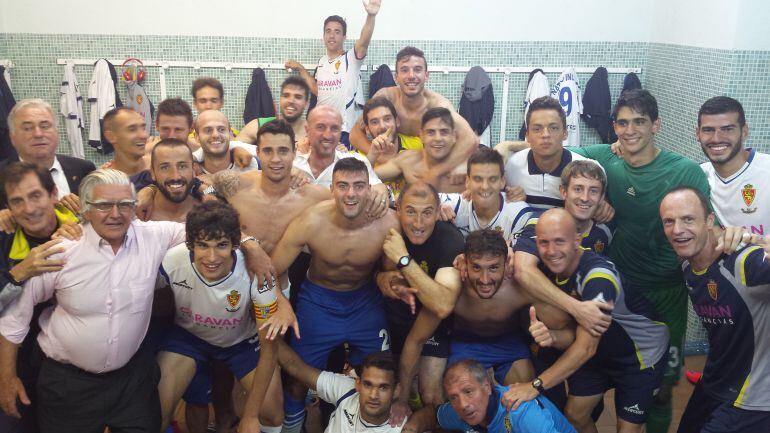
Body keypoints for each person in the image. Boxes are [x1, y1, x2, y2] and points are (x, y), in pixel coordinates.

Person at [0, 169, 184, 433]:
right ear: (85, 209)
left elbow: (205, 231)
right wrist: (6, 378)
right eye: (103, 205)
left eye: (124, 205)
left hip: (132, 380)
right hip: (68, 384)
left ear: (134, 208)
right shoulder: (60, 251)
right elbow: (14, 320)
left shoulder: (154, 237)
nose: (115, 214)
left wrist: (248, 244)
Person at [570, 89, 711, 433]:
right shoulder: (606, 159)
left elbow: (710, 227)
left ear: (656, 125)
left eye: (639, 122)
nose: (629, 130)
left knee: (662, 391)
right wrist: (505, 151)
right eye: (622, 122)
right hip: (620, 294)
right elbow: (552, 151)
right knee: (595, 382)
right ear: (613, 126)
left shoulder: (685, 171)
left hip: (666, 296)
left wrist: (744, 238)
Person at [505, 209, 669, 433]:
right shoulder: (553, 267)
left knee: (627, 429)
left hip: (639, 356)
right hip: (602, 350)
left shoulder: (598, 277)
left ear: (577, 240)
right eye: (544, 243)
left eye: (559, 242)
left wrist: (534, 386)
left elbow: (585, 348)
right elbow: (579, 335)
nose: (551, 251)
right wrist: (552, 337)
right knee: (575, 415)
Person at [268, 157, 399, 433]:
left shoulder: (387, 222)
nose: (351, 194)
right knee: (297, 378)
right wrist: (281, 301)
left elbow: (387, 272)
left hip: (364, 302)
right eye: (343, 186)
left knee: (382, 375)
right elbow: (272, 270)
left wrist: (390, 280)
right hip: (318, 302)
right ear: (331, 189)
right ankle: (293, 428)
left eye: (358, 186)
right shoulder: (310, 220)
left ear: (369, 188)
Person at [392, 229, 570, 425]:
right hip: (465, 343)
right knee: (448, 402)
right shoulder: (454, 289)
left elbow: (566, 326)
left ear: (507, 264)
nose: (485, 279)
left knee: (522, 401)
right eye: (476, 268)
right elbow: (415, 340)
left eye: (493, 268)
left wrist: (551, 335)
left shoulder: (520, 287)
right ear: (464, 264)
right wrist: (401, 399)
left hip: (508, 343)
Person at [155, 201, 281, 433]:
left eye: (221, 245)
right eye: (202, 245)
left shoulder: (257, 272)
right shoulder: (172, 260)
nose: (212, 257)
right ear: (190, 244)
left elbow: (270, 347)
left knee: (271, 415)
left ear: (235, 243)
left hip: (241, 342)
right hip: (188, 338)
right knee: (157, 413)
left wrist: (251, 416)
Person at [660, 187, 770, 433]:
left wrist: (761, 241)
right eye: (669, 221)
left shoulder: (743, 262)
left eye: (688, 219)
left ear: (709, 220)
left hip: (750, 397)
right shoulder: (687, 267)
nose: (677, 230)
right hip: (715, 382)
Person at [212, 120, 331, 297]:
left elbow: (352, 201)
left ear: (294, 153)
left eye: (283, 151)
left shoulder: (312, 196)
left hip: (281, 285)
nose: (276, 159)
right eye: (268, 151)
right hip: (236, 281)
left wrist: (380, 189)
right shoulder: (237, 185)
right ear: (258, 152)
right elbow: (200, 184)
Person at [377, 181, 463, 418]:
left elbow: (442, 305)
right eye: (410, 211)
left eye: (427, 213)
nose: (417, 223)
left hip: (431, 323)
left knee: (431, 395)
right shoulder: (387, 229)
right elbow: (375, 274)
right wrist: (383, 280)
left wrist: (403, 259)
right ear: (398, 209)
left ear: (438, 213)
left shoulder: (450, 239)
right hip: (390, 319)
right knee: (381, 394)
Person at [0, 163, 73, 433]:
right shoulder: (4, 240)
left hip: (71, 367)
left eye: (35, 196)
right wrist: (18, 273)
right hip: (17, 361)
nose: (29, 209)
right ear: (8, 207)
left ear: (53, 194)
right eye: (17, 201)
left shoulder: (85, 228)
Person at [350, 46, 479, 183]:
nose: (411, 76)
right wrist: (385, 158)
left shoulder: (438, 106)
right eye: (404, 70)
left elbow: (470, 140)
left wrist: (439, 168)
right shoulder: (386, 97)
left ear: (426, 75)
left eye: (417, 69)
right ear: (397, 77)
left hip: (422, 169)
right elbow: (355, 134)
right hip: (393, 163)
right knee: (359, 180)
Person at [285, 0, 381, 146]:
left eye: (337, 32)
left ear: (344, 37)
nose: (332, 35)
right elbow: (318, 90)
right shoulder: (322, 62)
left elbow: (363, 42)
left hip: (343, 130)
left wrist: (371, 16)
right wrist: (301, 69)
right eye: (328, 31)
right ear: (323, 35)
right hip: (320, 128)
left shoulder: (351, 59)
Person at [402, 359, 575, 433]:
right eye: (453, 397)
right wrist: (411, 429)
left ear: (487, 387)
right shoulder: (461, 410)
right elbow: (433, 415)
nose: (463, 404)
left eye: (468, 391)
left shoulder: (520, 410)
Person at [278, 341, 405, 433]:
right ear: (358, 383)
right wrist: (263, 321)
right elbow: (294, 366)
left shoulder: (403, 428)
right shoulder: (346, 390)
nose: (373, 395)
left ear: (396, 390)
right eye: (367, 384)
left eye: (383, 387)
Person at [495, 96, 596, 210]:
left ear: (565, 133)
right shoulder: (510, 167)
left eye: (553, 128)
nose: (545, 135)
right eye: (537, 129)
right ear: (527, 135)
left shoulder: (590, 171)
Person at [0, 99, 95, 215]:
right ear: (12, 137)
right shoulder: (2, 174)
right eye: (27, 128)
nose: (38, 134)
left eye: (45, 126)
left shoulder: (84, 169)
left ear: (57, 132)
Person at [292, 105, 389, 213]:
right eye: (320, 127)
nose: (327, 135)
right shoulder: (293, 165)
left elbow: (377, 189)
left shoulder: (356, 162)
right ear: (307, 130)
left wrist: (382, 189)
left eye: (334, 128)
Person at [697, 96, 769, 236]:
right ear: (697, 134)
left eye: (728, 129)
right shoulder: (698, 175)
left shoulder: (766, 171)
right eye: (708, 130)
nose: (717, 138)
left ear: (744, 131)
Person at [442, 147, 535, 244]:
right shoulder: (456, 204)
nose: (485, 186)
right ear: (467, 181)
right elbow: (426, 197)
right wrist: (434, 208)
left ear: (502, 181)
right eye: (478, 179)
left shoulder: (519, 215)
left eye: (492, 179)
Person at [370, 107, 469, 193]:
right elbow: (365, 177)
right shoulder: (409, 160)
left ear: (454, 135)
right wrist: (373, 154)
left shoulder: (469, 163)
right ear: (421, 135)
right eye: (431, 132)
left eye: (444, 132)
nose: (438, 138)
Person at [360, 97, 423, 198]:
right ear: (367, 129)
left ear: (397, 121)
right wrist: (372, 155)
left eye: (387, 119)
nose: (382, 126)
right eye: (375, 122)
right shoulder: (359, 158)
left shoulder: (417, 145)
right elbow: (357, 183)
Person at [236, 77, 312, 147]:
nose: (291, 101)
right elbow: (232, 147)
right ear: (280, 99)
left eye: (298, 97)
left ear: (306, 103)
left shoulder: (313, 132)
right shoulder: (259, 126)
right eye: (286, 95)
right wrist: (238, 151)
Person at [141, 138, 197, 223]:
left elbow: (213, 188)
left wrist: (209, 192)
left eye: (182, 166)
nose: (175, 176)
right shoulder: (137, 213)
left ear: (193, 170)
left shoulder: (208, 210)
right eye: (165, 167)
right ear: (152, 173)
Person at [103, 107, 149, 176]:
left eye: (143, 128)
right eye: (132, 129)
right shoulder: (103, 181)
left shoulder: (158, 169)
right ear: (110, 136)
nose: (143, 135)